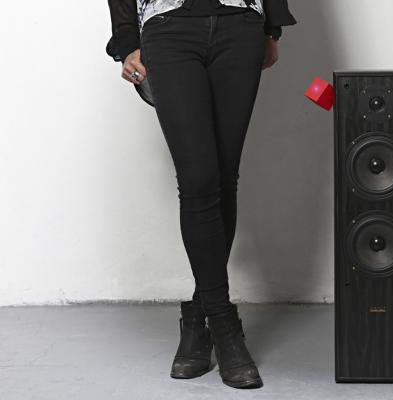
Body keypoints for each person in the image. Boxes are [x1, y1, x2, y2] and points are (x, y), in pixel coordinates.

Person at [105, 0, 296, 389]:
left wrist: (271, 27)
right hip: (169, 27)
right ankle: (224, 327)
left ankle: (197, 317)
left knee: (223, 178)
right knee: (198, 179)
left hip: (240, 23)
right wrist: (127, 40)